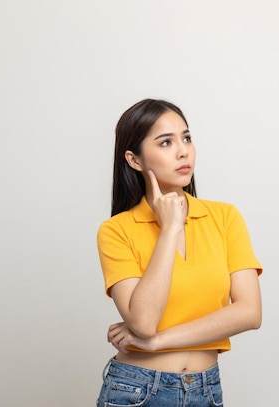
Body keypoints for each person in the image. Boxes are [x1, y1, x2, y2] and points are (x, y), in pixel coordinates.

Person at [95, 98, 263, 406]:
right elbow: (143, 322)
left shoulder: (225, 217)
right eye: (165, 142)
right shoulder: (117, 230)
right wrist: (170, 229)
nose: (183, 150)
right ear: (135, 160)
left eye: (186, 138)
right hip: (136, 390)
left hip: (206, 390)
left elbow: (250, 313)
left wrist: (158, 341)